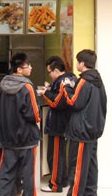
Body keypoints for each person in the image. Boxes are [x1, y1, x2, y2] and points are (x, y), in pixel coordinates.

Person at [0, 52, 40, 196]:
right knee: (28, 175)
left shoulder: (0, 86)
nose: (31, 68)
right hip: (27, 139)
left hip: (7, 138)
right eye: (28, 65)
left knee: (6, 174)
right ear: (19, 69)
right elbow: (34, 114)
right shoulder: (27, 87)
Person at [63, 49, 107, 196]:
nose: (76, 64)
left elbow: (73, 102)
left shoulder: (84, 81)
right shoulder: (98, 81)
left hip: (81, 132)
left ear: (82, 63)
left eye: (77, 61)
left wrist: (66, 87)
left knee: (77, 170)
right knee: (90, 170)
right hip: (93, 132)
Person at [39, 55, 77, 193]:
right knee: (60, 155)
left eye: (49, 72)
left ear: (55, 70)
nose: (49, 75)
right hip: (65, 123)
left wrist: (45, 93)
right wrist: (50, 90)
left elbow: (57, 103)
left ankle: (55, 184)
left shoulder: (62, 82)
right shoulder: (70, 79)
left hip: (58, 124)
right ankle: (63, 179)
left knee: (55, 156)